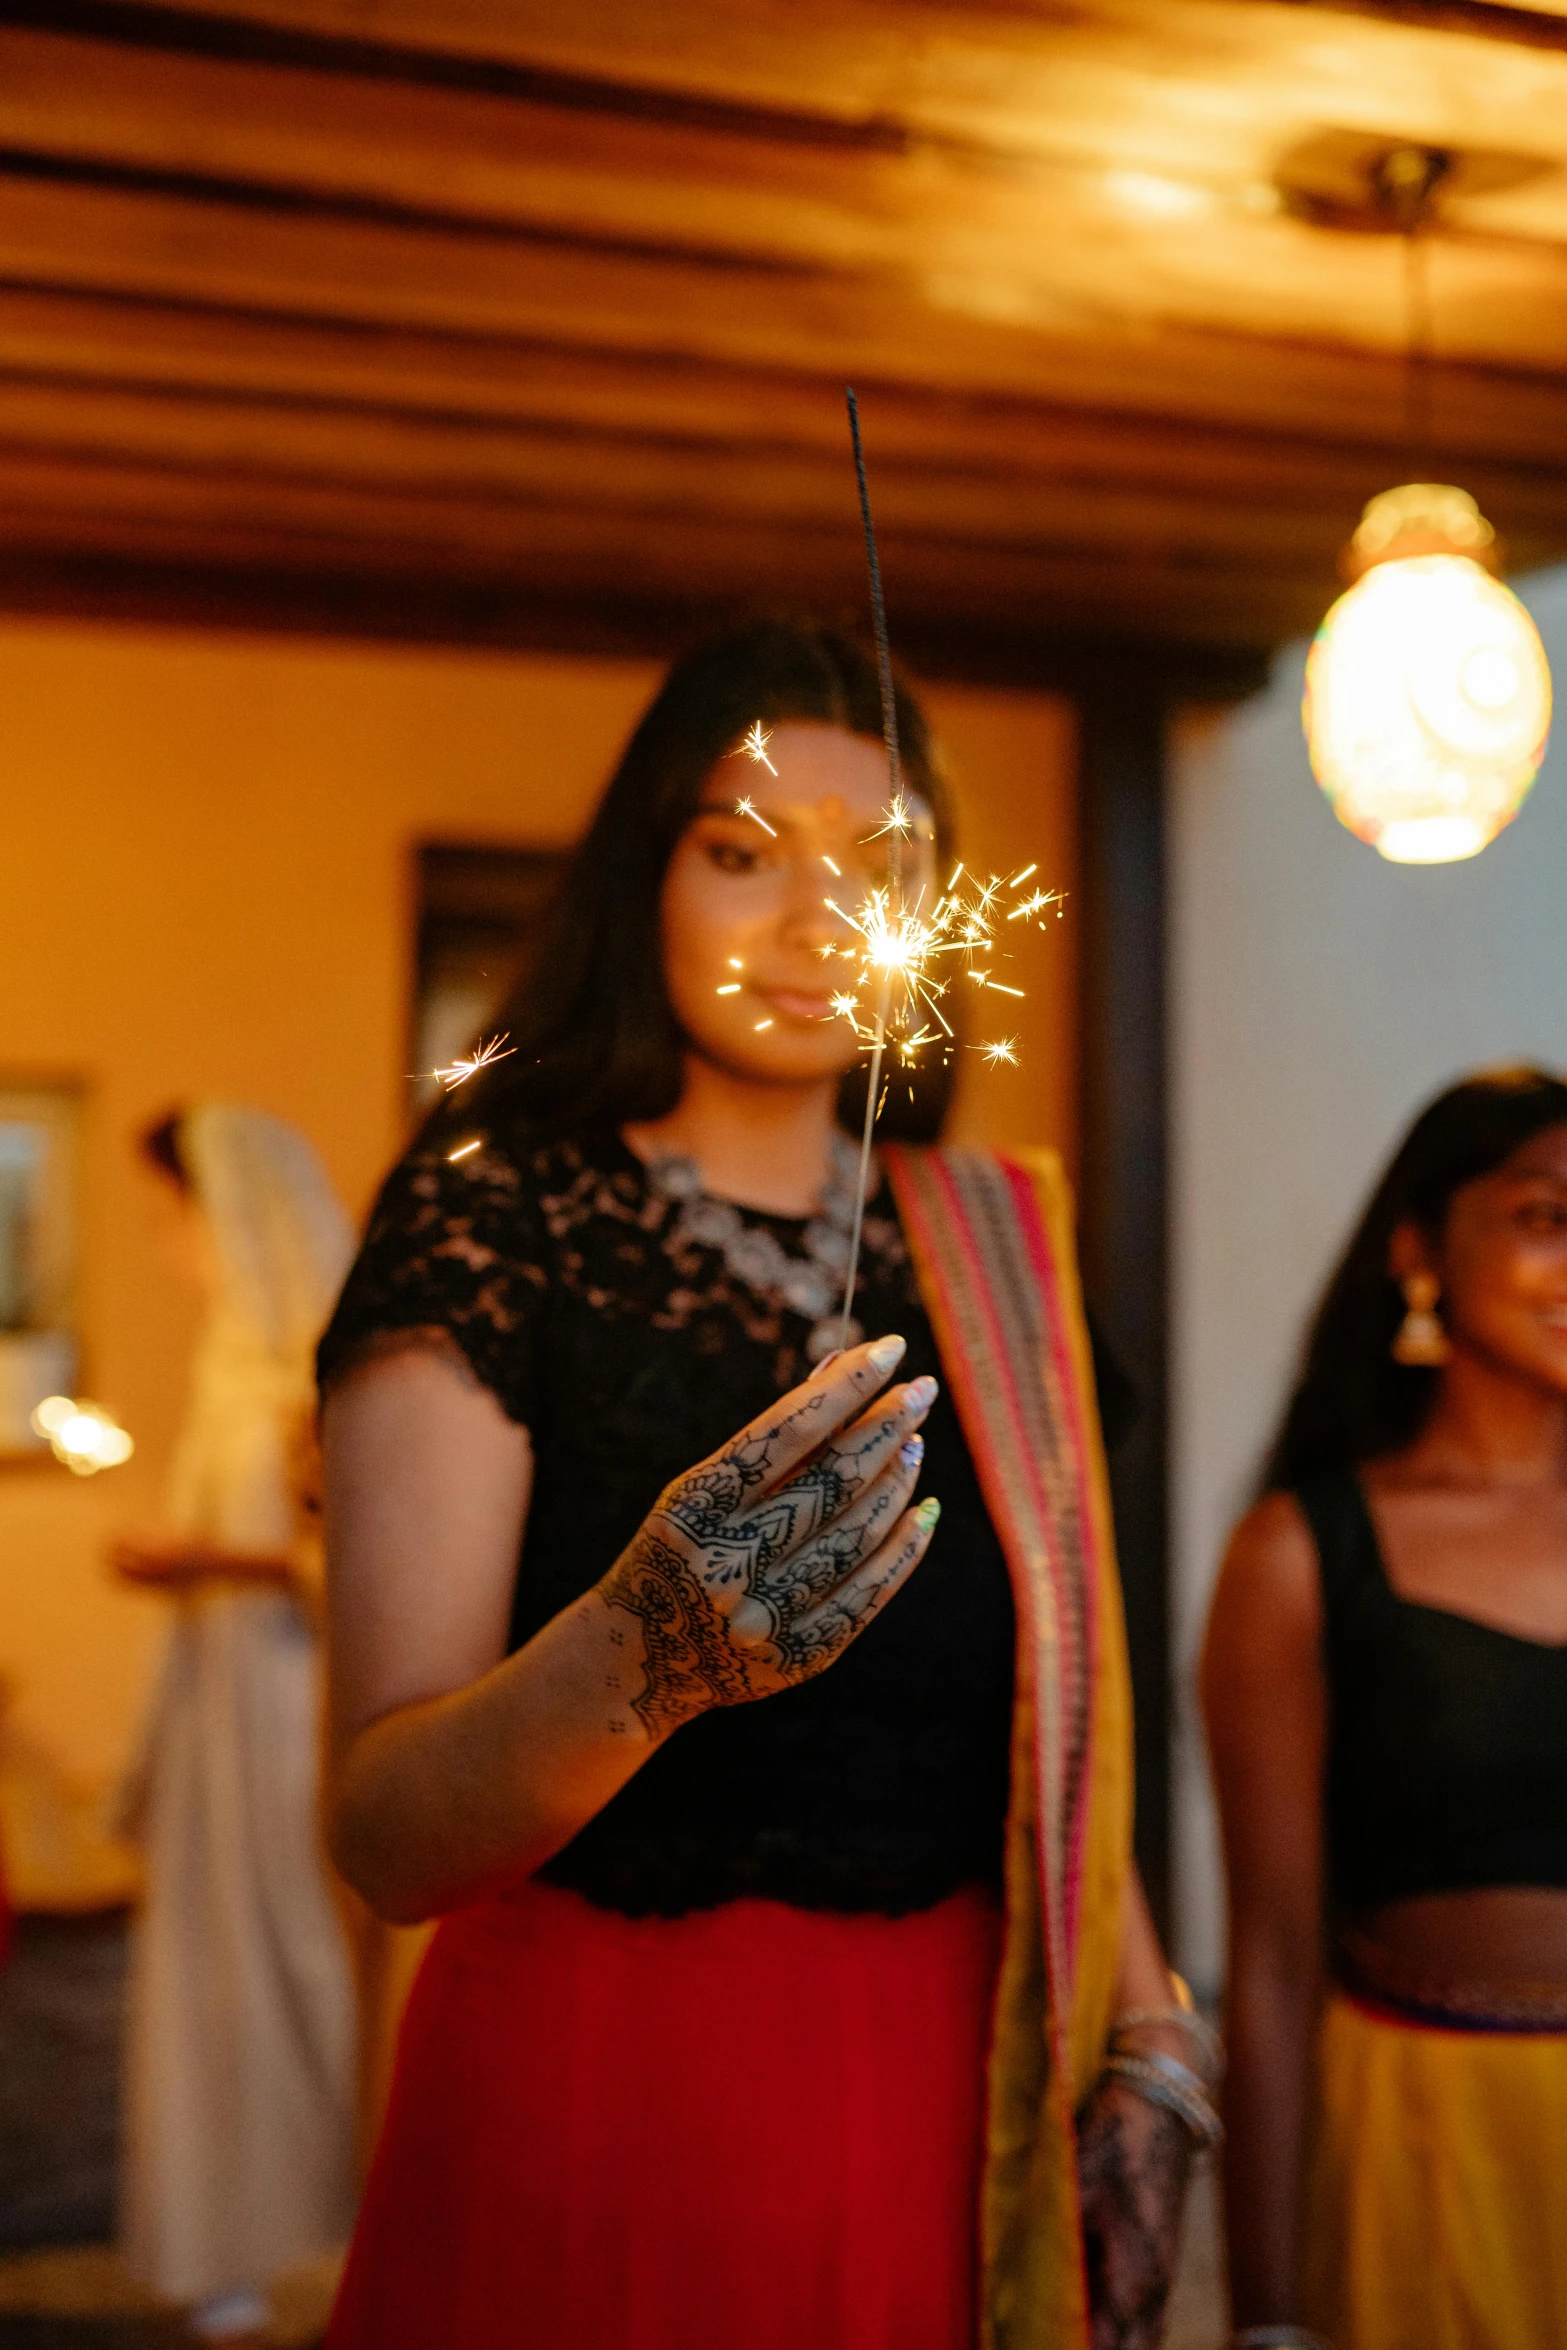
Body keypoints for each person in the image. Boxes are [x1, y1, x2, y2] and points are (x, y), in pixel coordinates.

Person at [318, 622, 1215, 2350]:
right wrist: (642, 1650)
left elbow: (1068, 1713)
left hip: (963, 2088)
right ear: (641, 876)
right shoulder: (492, 1221)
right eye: (741, 855)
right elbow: (382, 1833)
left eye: (880, 871)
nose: (815, 925)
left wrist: (1155, 2034)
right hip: (605, 2085)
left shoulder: (1003, 1247)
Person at [1204, 1067, 1567, 2350]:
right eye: (1543, 1217)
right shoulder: (1304, 1552)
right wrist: (1267, 2317)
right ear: (1418, 1249)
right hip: (1429, 2133)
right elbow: (1267, 1957)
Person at [115, 1103, 358, 2341]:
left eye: (181, 1215)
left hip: (286, 1704)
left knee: (293, 1963)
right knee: (214, 1971)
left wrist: (207, 1559)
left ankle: (313, 2225)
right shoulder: (225, 1369)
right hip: (220, 1701)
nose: (173, 1246)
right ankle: (225, 2231)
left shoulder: (320, 1368)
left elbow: (357, 1566)